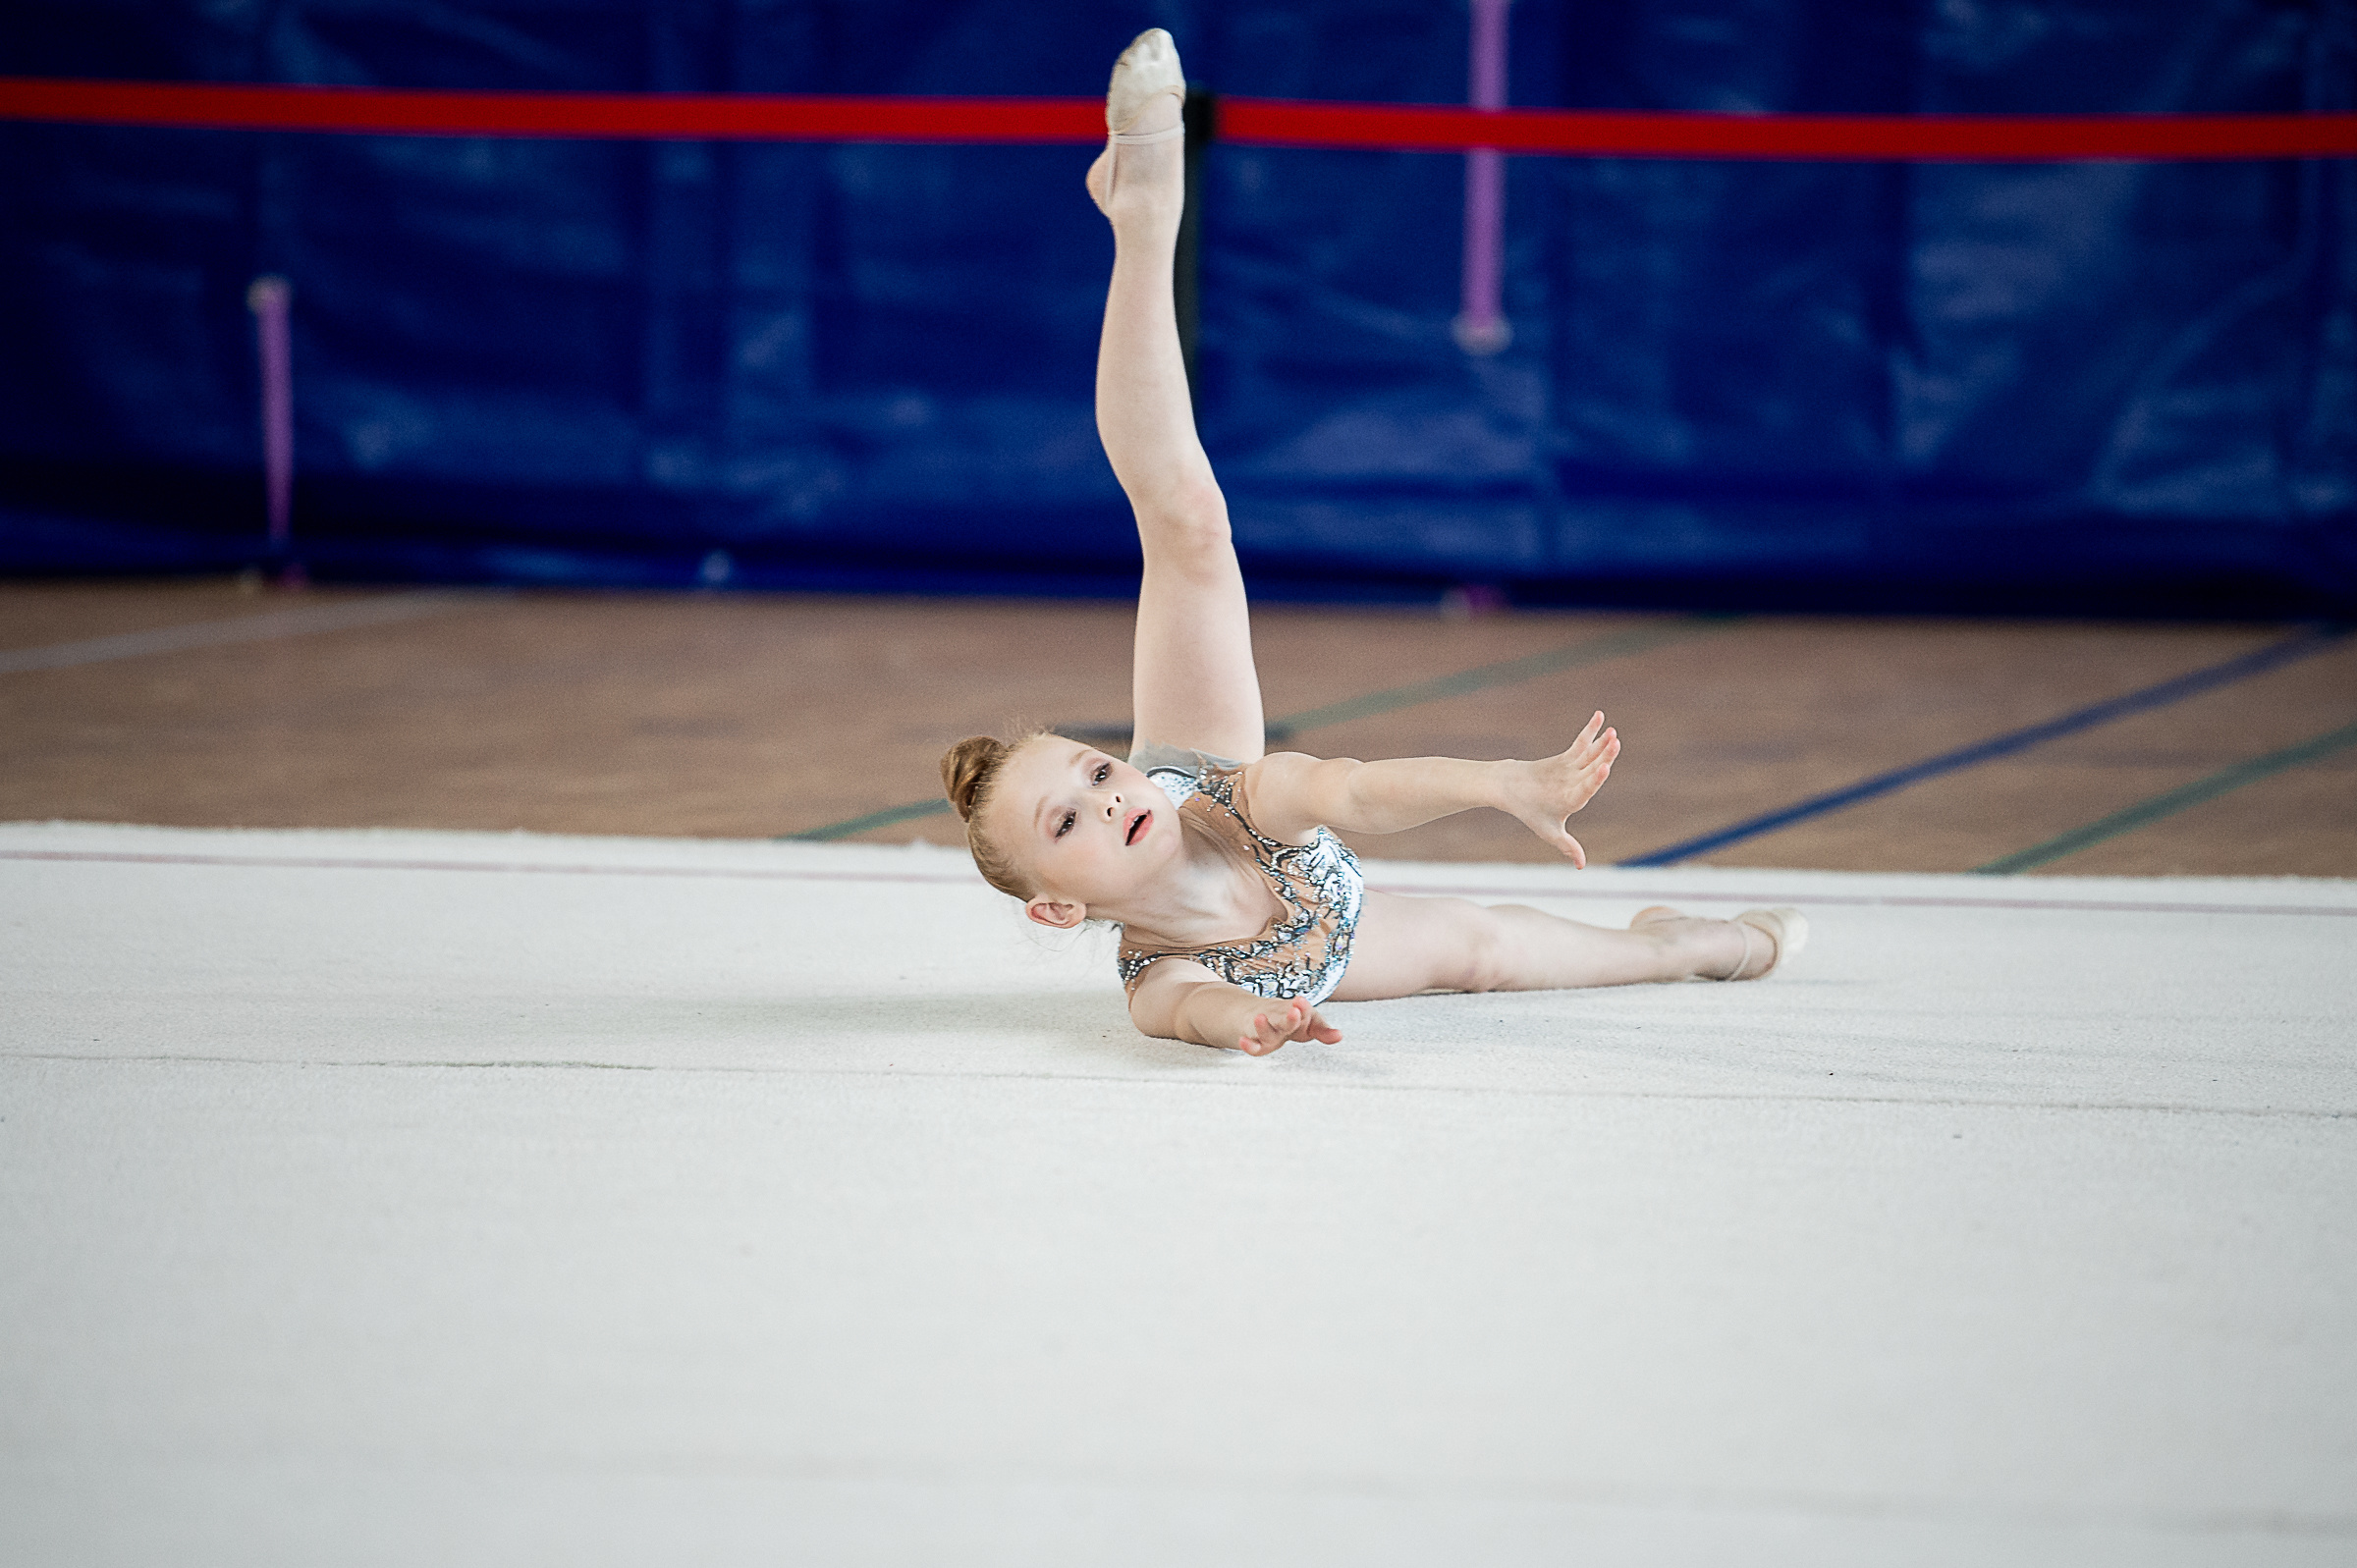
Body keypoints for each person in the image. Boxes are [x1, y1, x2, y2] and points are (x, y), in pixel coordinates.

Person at [940, 29, 1804, 1056]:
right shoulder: (1155, 971)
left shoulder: (1227, 794)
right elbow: (1186, 1012)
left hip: (1226, 785)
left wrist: (1500, 783)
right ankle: (1683, 942)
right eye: (1066, 825)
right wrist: (1254, 1017)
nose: (1107, 794)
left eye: (1089, 772)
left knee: (1190, 526)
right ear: (1058, 909)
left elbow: (1355, 787)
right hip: (1335, 944)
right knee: (1487, 953)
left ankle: (1142, 213)